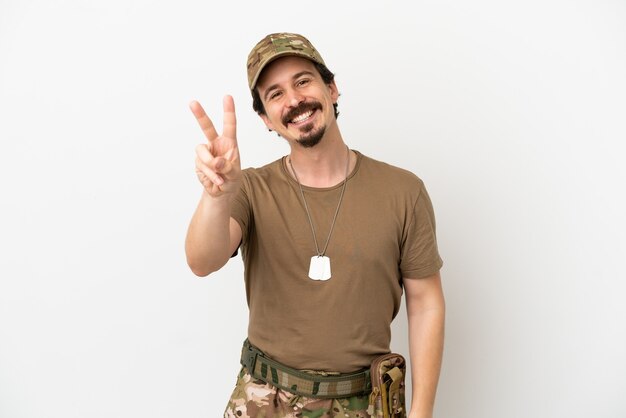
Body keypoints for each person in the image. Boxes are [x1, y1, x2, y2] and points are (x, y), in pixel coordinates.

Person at [185, 33, 445, 418]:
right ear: (265, 119)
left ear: (332, 88)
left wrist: (422, 413)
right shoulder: (251, 189)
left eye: (303, 81)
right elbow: (201, 261)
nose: (293, 100)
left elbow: (425, 304)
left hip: (363, 403)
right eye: (275, 94)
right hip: (263, 402)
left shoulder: (402, 191)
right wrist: (217, 193)